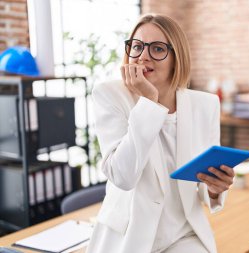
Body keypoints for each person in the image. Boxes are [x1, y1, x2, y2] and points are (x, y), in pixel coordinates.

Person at [86, 13, 234, 253]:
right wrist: (149, 102)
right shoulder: (109, 95)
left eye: (157, 48)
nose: (143, 56)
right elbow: (122, 176)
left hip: (182, 235)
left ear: (177, 58)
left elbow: (204, 179)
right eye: (137, 46)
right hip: (127, 237)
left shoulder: (205, 105)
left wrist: (215, 188)